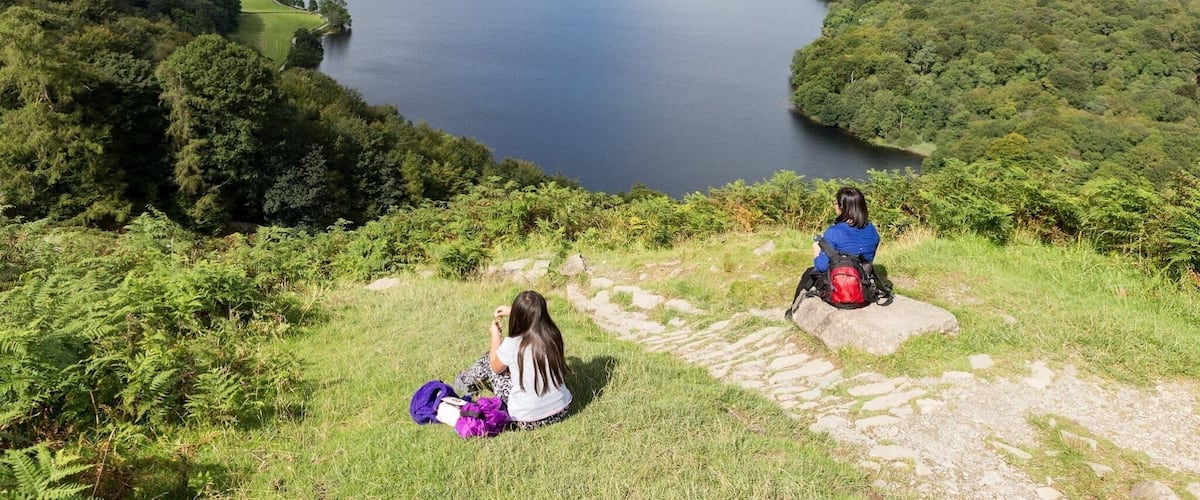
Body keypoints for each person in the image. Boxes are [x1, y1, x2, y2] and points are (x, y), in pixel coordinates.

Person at [453, 290, 573, 431]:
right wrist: (515, 311)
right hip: (561, 410)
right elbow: (537, 319)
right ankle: (467, 381)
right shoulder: (553, 336)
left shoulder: (513, 344)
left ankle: (465, 381)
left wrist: (495, 336)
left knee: (489, 359)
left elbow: (495, 367)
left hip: (527, 420)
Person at [786, 186, 880, 318]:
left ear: (843, 207)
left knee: (809, 273)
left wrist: (816, 251)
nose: (834, 206)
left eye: (836, 203)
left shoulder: (834, 232)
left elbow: (822, 267)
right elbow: (868, 258)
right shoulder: (872, 230)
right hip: (862, 282)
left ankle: (793, 312)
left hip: (841, 287)